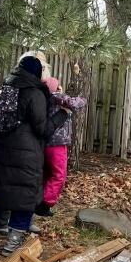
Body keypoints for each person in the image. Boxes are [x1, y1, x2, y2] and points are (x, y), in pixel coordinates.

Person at [0, 52, 69, 256]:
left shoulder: (6, 87)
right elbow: (43, 129)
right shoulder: (34, 93)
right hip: (25, 154)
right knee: (26, 198)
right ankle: (12, 245)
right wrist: (62, 115)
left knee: (8, 192)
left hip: (1, 149)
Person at [36, 77, 86, 217]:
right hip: (57, 143)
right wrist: (83, 99)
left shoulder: (45, 98)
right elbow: (72, 102)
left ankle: (40, 200)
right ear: (57, 88)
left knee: (47, 173)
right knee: (59, 175)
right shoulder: (56, 96)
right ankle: (45, 203)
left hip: (46, 143)